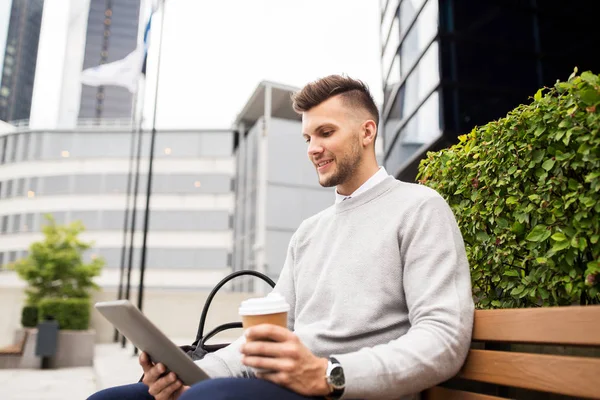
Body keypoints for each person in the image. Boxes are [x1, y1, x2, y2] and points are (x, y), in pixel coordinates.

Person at [89, 75, 474, 400]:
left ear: (367, 132)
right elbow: (263, 340)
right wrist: (188, 374)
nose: (313, 149)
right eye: (307, 137)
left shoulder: (419, 208)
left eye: (326, 133)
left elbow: (443, 340)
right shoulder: (309, 233)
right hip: (284, 385)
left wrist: (329, 374)